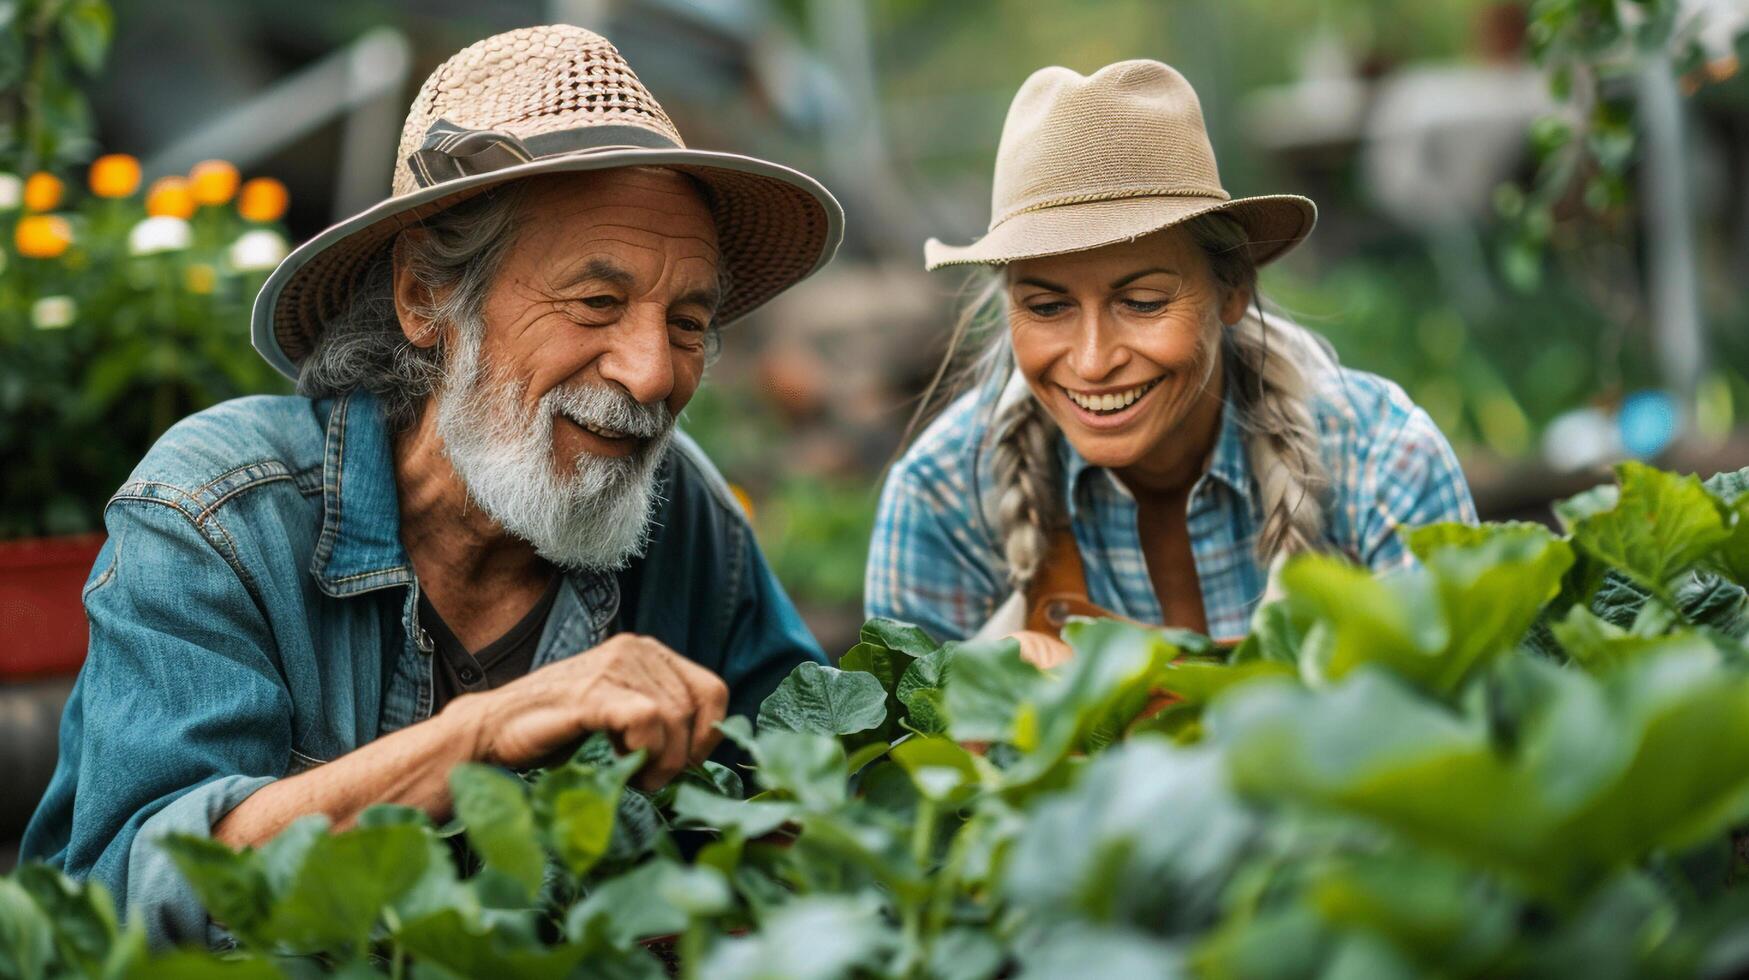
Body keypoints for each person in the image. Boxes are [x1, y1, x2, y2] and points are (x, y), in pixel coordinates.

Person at [24, 25, 843, 946]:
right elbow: (133, 898)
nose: (652, 373)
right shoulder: (219, 513)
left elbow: (820, 786)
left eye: (688, 322)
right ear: (425, 299)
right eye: (597, 304)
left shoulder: (681, 514)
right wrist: (481, 736)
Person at [866, 60, 1475, 667]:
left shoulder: (1380, 459)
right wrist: (984, 703)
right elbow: (910, 753)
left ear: (1232, 288)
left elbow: (1470, 734)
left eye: (1142, 302)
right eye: (1048, 307)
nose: (1093, 360)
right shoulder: (942, 498)